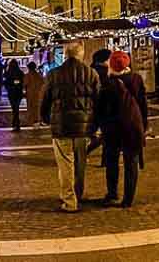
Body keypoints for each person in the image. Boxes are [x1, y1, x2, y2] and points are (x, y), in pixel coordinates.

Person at [40, 40, 100, 213]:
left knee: (66, 165)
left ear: (65, 55)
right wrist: (95, 123)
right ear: (81, 54)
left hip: (61, 127)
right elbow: (98, 100)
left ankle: (69, 200)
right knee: (80, 164)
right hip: (84, 128)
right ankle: (78, 194)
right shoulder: (91, 74)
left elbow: (45, 99)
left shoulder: (53, 74)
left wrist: (46, 118)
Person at [97, 51, 148, 208]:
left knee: (112, 161)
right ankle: (128, 198)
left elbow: (101, 109)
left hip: (113, 128)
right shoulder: (136, 79)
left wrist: (99, 126)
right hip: (133, 125)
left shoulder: (107, 84)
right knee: (131, 162)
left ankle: (112, 193)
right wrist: (144, 124)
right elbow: (142, 105)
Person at [87, 49, 112, 161]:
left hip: (93, 107)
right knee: (106, 134)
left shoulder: (90, 70)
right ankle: (104, 159)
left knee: (97, 133)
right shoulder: (105, 72)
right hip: (103, 106)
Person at [4, 59, 25, 131]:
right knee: (16, 108)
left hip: (11, 93)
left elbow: (6, 83)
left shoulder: (8, 73)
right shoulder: (20, 72)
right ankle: (16, 124)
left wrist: (10, 87)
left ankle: (15, 124)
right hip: (18, 93)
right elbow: (23, 82)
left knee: (14, 109)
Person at [24, 61, 45, 126]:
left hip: (30, 93)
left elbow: (25, 84)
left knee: (30, 107)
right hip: (38, 93)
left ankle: (31, 120)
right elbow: (43, 82)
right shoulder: (39, 75)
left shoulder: (27, 75)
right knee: (37, 106)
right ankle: (37, 119)